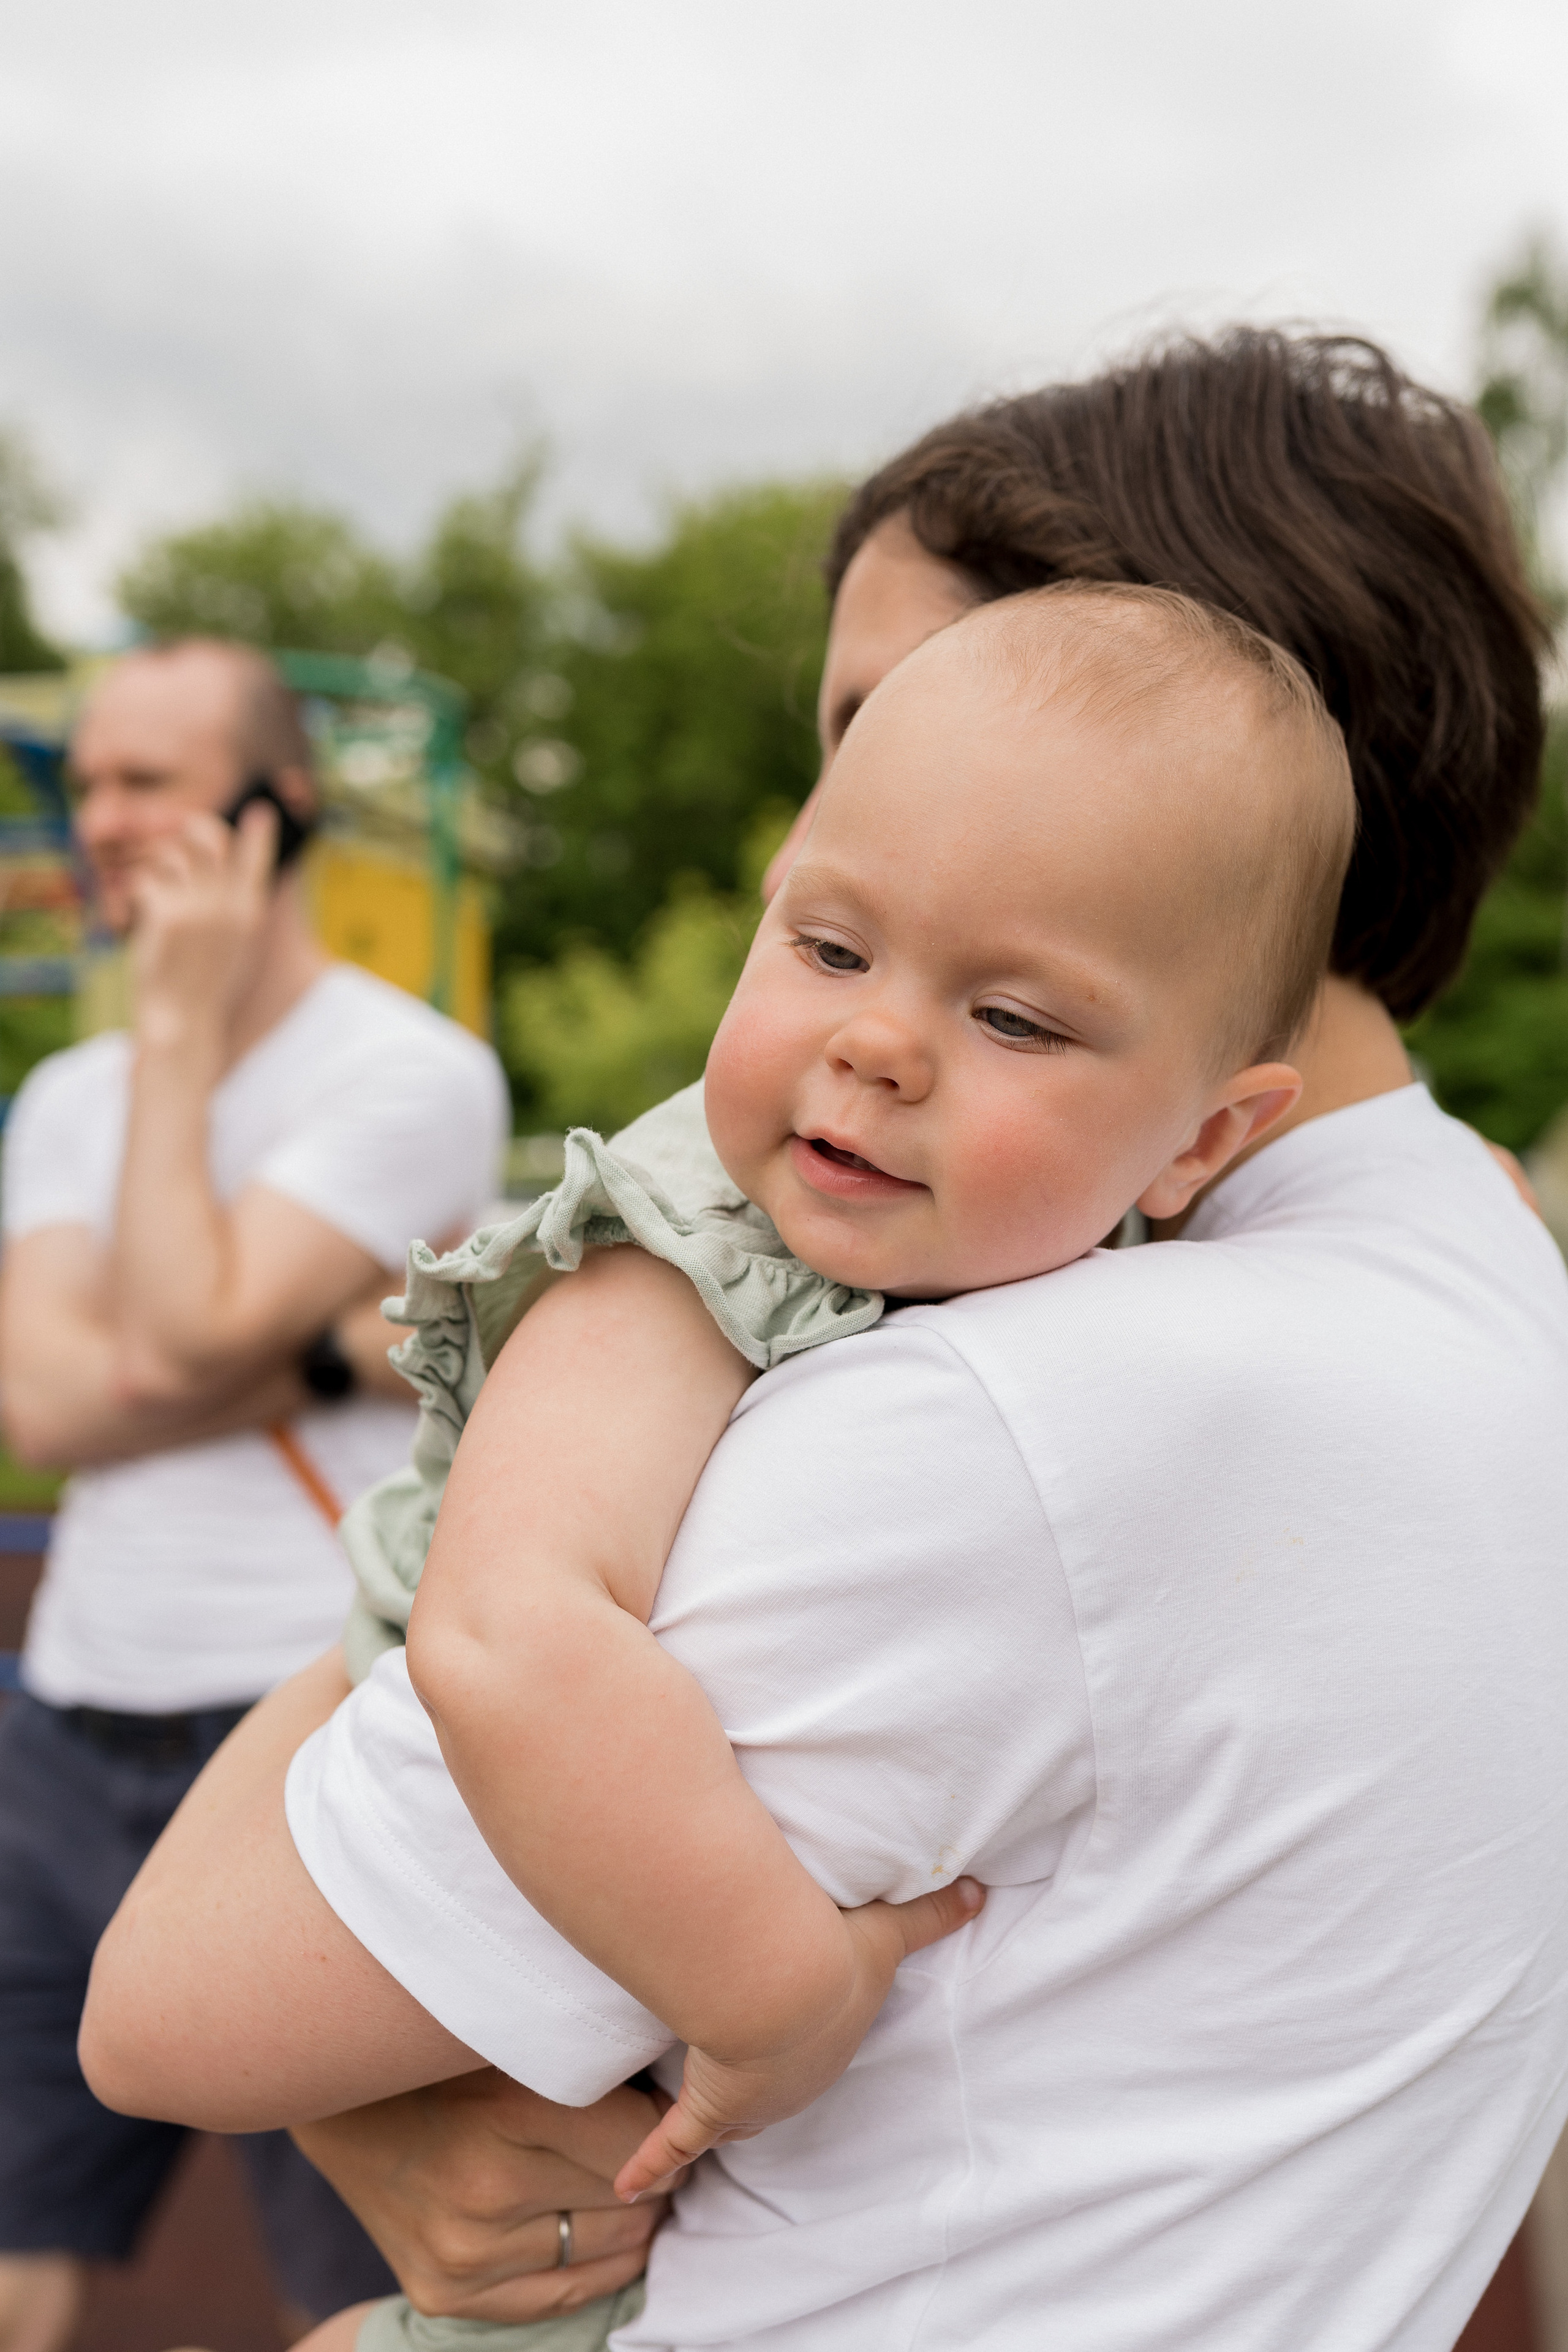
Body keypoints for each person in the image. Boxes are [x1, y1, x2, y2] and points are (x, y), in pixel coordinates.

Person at [86, 328, 1562, 2345]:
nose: (852, 812)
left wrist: (423, 2084)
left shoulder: (1003, 1414)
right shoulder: (1482, 1294)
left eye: (898, 711)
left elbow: (179, 1993)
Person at [0, 639, 510, 2352]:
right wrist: (326, 1348)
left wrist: (171, 1038)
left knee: (352, 2266)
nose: (107, 819)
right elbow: (47, 1396)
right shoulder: (68, 1099)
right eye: (89, 784)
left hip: (302, 1719)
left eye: (151, 781)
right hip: (66, 1717)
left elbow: (171, 1333)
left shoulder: (409, 1071)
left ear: (275, 812)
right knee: (16, 2222)